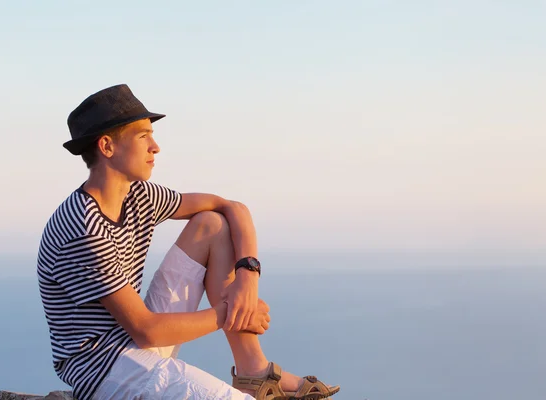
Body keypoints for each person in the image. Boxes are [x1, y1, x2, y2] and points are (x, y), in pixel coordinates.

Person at [36, 84, 340, 400]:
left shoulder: (138, 196)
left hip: (133, 341)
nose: (155, 147)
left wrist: (248, 278)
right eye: (143, 136)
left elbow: (231, 207)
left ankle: (253, 371)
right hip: (105, 370)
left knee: (211, 224)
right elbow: (146, 330)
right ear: (107, 146)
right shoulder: (82, 227)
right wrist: (234, 310)